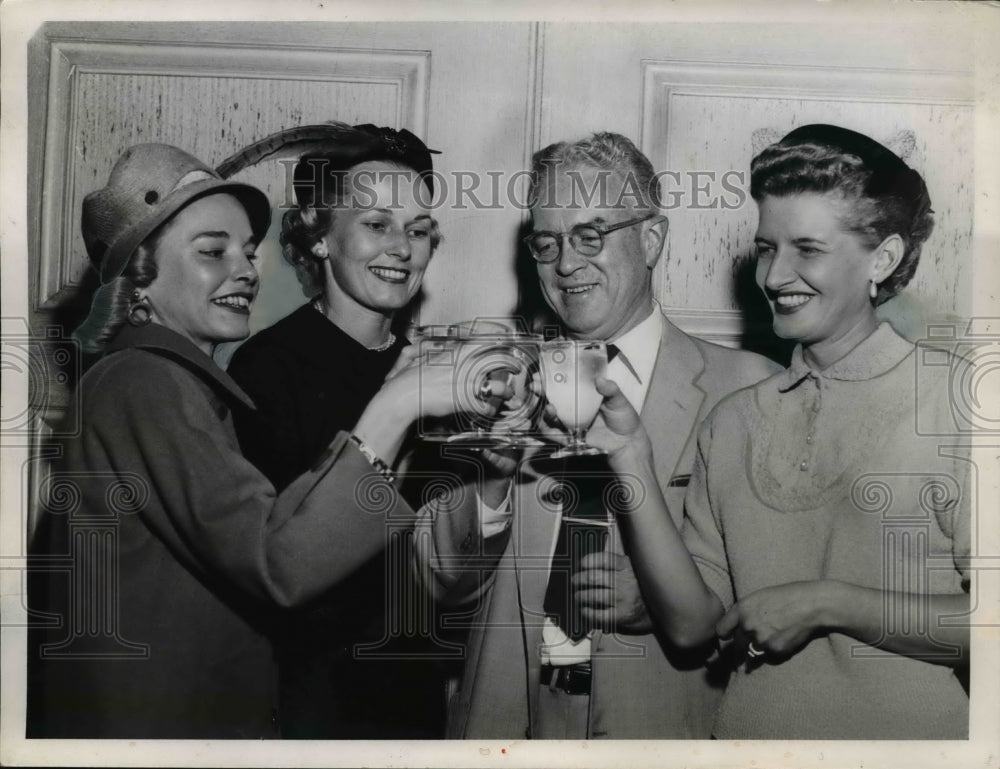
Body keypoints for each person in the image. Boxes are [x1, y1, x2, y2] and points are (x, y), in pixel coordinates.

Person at [26, 143, 473, 739]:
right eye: (213, 251)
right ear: (140, 274)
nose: (246, 270)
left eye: (248, 251)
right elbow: (278, 564)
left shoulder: (156, 380)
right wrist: (395, 406)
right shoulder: (144, 381)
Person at [587, 124, 971, 739]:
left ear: (885, 258)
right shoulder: (734, 420)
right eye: (767, 248)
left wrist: (830, 603)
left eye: (807, 250)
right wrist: (631, 455)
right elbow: (691, 626)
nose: (774, 275)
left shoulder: (958, 405)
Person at [416, 132, 780, 739]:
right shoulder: (495, 382)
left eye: (591, 235)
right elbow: (437, 583)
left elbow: (773, 606)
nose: (565, 264)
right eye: (547, 243)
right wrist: (491, 484)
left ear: (652, 238)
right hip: (508, 725)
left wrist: (661, 598)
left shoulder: (749, 390)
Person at [224, 125, 448, 738]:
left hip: (418, 682)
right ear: (320, 237)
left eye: (420, 228)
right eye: (377, 224)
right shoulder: (265, 367)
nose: (403, 247)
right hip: (308, 690)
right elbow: (276, 570)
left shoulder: (439, 367)